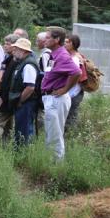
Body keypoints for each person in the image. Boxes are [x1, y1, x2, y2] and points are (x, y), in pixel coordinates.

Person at [40, 27, 81, 160]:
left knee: (54, 135)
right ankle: (50, 162)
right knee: (51, 133)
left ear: (57, 40)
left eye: (47, 37)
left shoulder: (62, 55)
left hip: (56, 98)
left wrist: (65, 89)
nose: (44, 40)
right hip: (51, 97)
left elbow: (76, 72)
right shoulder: (54, 54)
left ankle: (55, 167)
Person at [0, 34, 20, 144]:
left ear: (15, 46)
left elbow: (10, 83)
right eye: (5, 43)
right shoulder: (8, 58)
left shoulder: (15, 61)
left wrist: (3, 98)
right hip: (6, 96)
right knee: (8, 125)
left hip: (8, 98)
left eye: (8, 44)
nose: (5, 46)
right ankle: (7, 146)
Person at [8, 38, 39, 147]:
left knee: (24, 131)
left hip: (27, 103)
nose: (14, 51)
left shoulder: (28, 65)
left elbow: (30, 88)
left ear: (23, 50)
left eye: (16, 49)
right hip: (25, 102)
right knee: (21, 130)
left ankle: (23, 155)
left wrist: (20, 101)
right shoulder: (23, 62)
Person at [64, 34, 87, 131]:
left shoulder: (76, 58)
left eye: (67, 42)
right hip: (71, 91)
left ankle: (70, 139)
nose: (64, 44)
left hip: (74, 92)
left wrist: (65, 89)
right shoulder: (71, 56)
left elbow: (77, 76)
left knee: (70, 117)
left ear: (73, 44)